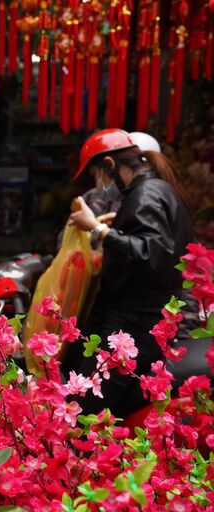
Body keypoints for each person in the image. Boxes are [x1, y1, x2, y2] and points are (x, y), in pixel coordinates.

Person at [65, 128, 195, 418]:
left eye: (97, 174)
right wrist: (119, 227)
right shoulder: (157, 190)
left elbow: (151, 253)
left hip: (133, 326)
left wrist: (99, 229)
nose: (99, 185)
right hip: (142, 323)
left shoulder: (146, 193)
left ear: (110, 165)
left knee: (83, 413)